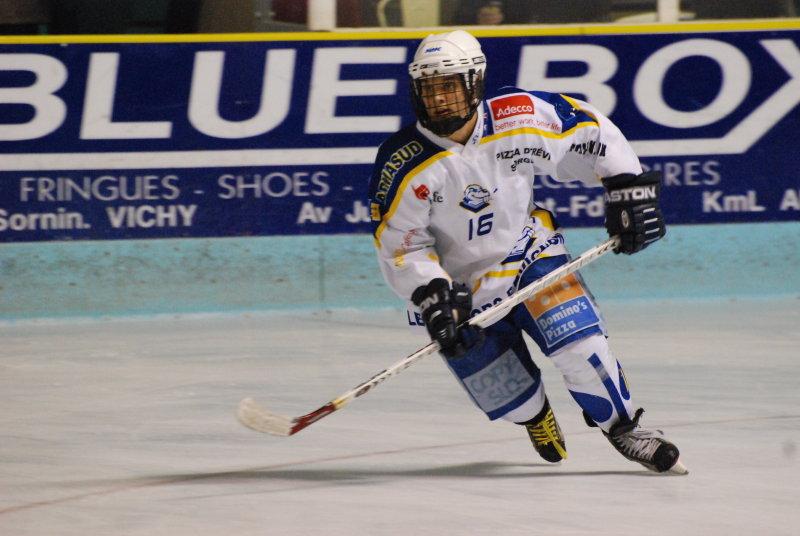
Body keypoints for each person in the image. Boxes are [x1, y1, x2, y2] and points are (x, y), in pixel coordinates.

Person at [368, 30, 687, 474]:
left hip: (529, 254)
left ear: (475, 82)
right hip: (461, 290)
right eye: (429, 88)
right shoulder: (401, 164)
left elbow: (591, 130)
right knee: (508, 395)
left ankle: (625, 428)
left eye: (449, 86)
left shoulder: (517, 115)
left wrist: (627, 186)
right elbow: (401, 247)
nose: (438, 99)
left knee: (583, 347)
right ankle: (534, 416)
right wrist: (431, 292)